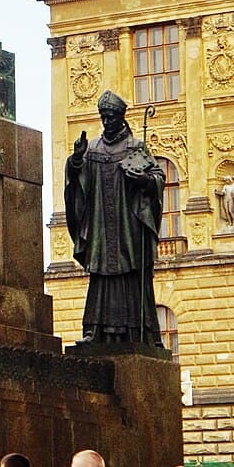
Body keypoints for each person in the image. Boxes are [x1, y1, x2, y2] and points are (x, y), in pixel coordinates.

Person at [64, 92, 165, 346]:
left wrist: (144, 181)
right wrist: (76, 160)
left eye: (110, 117)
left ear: (121, 118)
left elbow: (159, 177)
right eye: (103, 117)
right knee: (101, 276)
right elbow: (77, 180)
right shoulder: (93, 149)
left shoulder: (136, 147)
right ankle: (95, 331)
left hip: (128, 226)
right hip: (101, 225)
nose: (106, 122)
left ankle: (140, 332)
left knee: (131, 276)